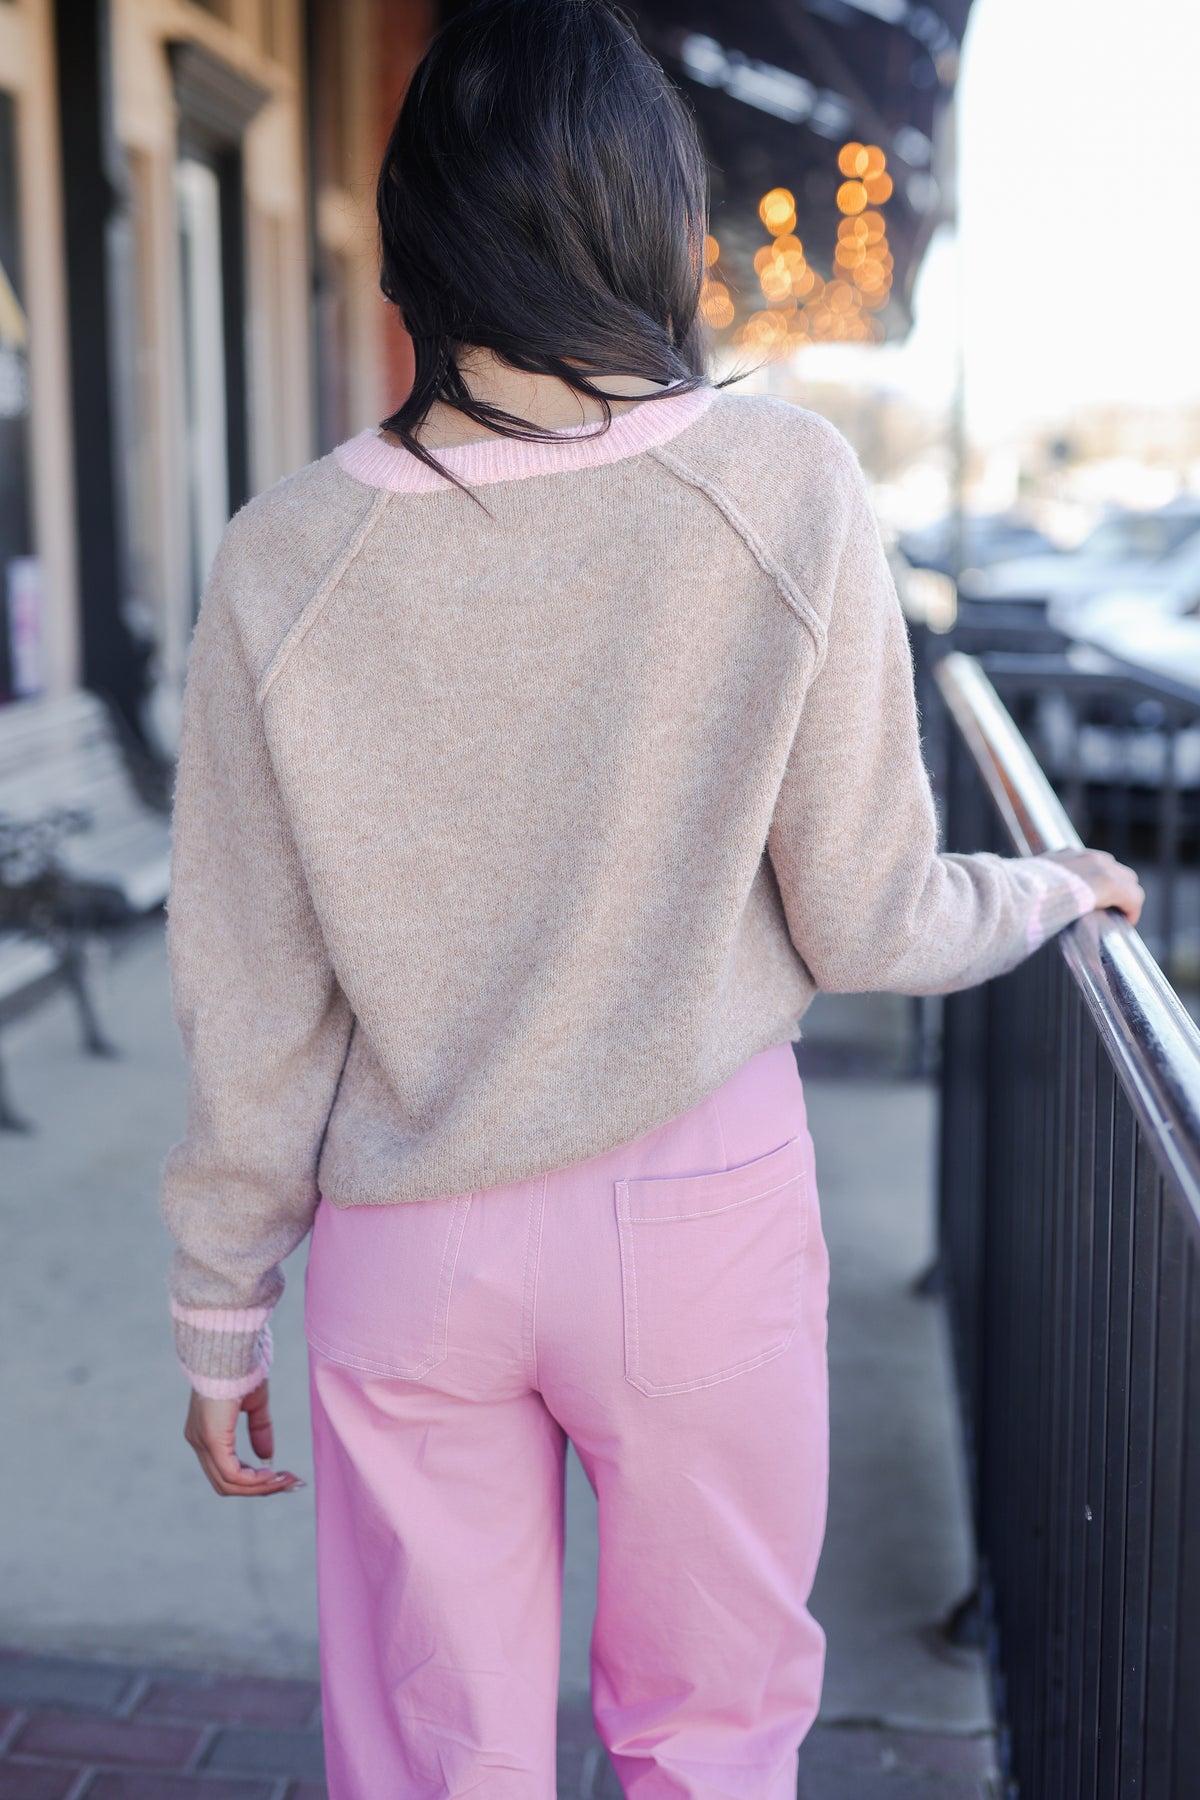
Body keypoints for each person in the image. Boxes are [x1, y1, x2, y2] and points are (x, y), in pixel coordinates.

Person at [160, 2, 1144, 1795]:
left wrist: (222, 1299)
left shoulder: (284, 552)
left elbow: (253, 986)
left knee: (433, 1760)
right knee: (713, 1739)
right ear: (650, 219)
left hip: (407, 1231)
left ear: (411, 225)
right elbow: (869, 916)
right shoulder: (780, 486)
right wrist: (1046, 891)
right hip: (698, 1210)